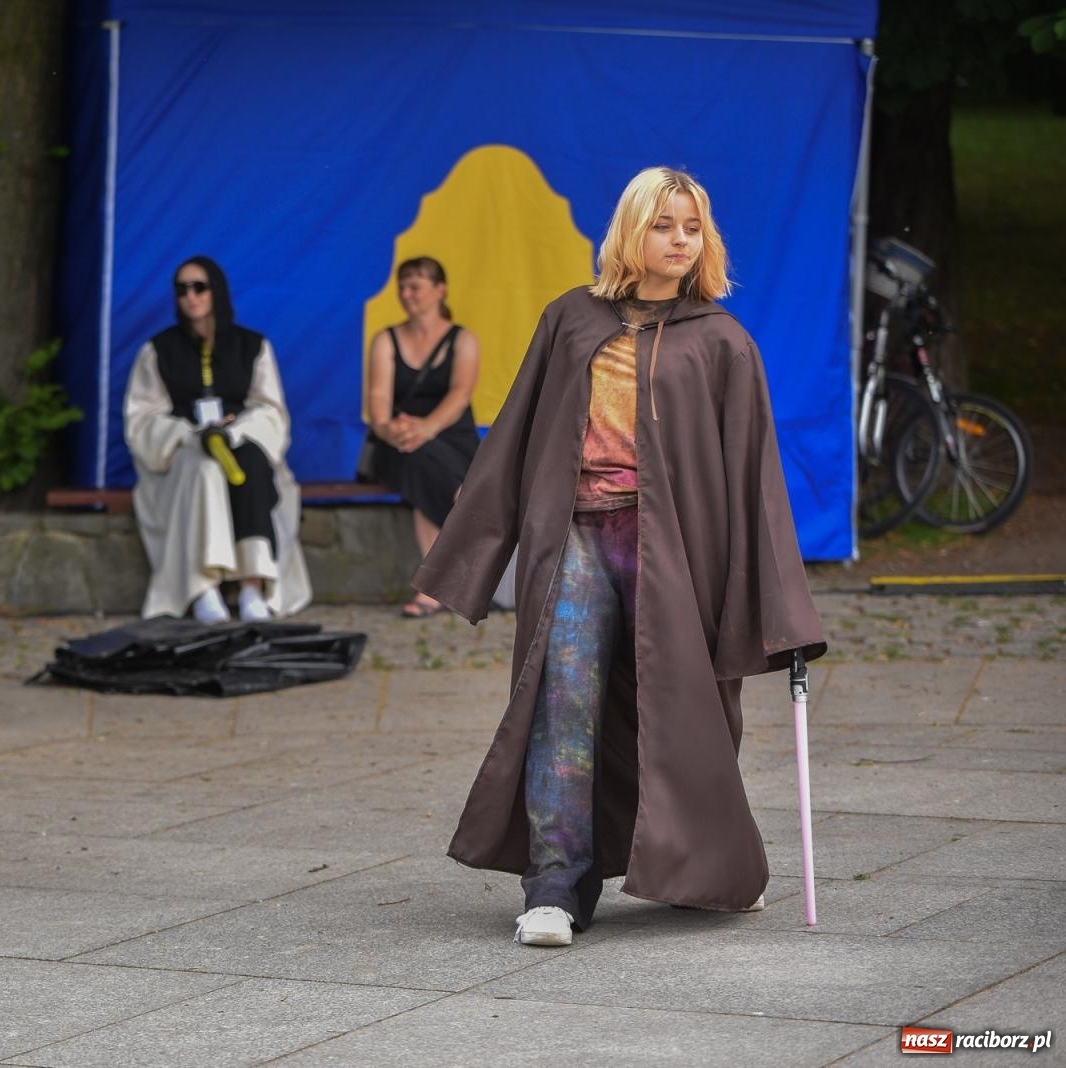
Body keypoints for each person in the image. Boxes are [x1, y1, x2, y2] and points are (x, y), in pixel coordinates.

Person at [413, 167, 825, 947]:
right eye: (664, 224)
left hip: (678, 549)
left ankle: (703, 868)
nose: (680, 240)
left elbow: (755, 479)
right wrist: (467, 556)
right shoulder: (570, 319)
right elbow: (515, 437)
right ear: (631, 231)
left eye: (692, 227)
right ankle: (554, 887)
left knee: (686, 710)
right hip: (575, 537)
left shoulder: (723, 342)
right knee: (560, 702)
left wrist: (782, 609)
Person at [123, 256, 312, 623]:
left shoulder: (252, 346)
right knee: (204, 470)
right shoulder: (158, 350)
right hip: (184, 452)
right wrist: (190, 434)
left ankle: (252, 585)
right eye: (182, 290)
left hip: (241, 441)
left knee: (252, 462)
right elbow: (143, 416)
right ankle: (203, 587)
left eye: (199, 287)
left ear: (216, 291)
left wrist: (234, 431)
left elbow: (270, 409)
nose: (191, 297)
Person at [362, 257, 481, 617]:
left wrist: (426, 429)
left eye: (415, 286)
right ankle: (458, 572)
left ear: (440, 290)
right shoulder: (386, 340)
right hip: (398, 443)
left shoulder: (463, 339)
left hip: (451, 438)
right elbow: (378, 400)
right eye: (402, 286)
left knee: (425, 468)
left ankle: (433, 587)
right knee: (420, 463)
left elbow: (460, 394)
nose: (406, 294)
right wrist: (389, 430)